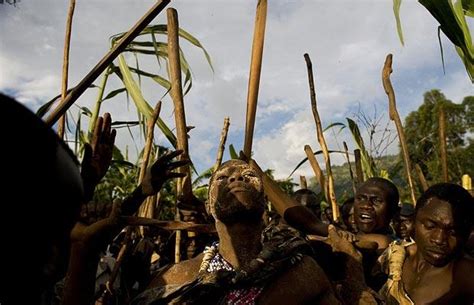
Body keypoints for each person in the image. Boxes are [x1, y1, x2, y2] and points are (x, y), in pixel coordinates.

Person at [135, 159, 342, 305]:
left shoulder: (303, 273)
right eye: (222, 178)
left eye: (248, 175)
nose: (236, 178)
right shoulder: (177, 278)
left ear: (264, 201)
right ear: (209, 206)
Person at [379, 183, 474, 304]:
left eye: (453, 232)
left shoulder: (465, 275)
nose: (439, 239)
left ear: (466, 234)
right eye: (430, 226)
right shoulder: (396, 257)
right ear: (414, 221)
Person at [353, 177, 400, 251]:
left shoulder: (395, 248)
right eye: (360, 199)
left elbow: (381, 242)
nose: (366, 206)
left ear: (393, 211)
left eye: (376, 201)